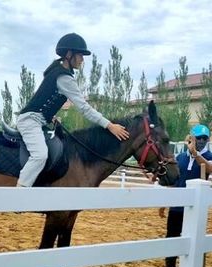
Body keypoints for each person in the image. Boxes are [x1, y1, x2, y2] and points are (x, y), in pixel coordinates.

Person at [16, 33, 130, 187]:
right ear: (69, 55)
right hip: (30, 121)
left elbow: (44, 100)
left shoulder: (56, 71)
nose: (82, 60)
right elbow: (84, 108)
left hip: (38, 120)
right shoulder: (64, 78)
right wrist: (109, 125)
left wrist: (50, 116)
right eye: (80, 55)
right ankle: (20, 192)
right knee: (40, 155)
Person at [155, 124, 212, 267]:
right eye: (198, 138)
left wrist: (196, 155)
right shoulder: (180, 157)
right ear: (191, 138)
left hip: (194, 211)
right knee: (171, 239)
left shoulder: (208, 155)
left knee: (192, 242)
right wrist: (165, 202)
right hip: (177, 208)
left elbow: (209, 168)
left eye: (204, 139)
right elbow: (174, 181)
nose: (201, 141)